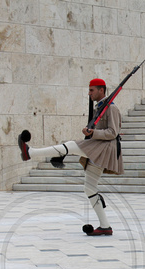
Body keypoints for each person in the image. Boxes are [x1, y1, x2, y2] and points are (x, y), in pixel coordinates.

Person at [17, 78, 123, 236]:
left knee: (72, 146)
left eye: (92, 90)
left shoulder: (111, 109)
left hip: (104, 149)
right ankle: (105, 226)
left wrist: (93, 133)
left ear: (102, 90)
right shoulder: (100, 108)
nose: (89, 93)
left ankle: (31, 152)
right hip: (99, 148)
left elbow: (113, 132)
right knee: (89, 188)